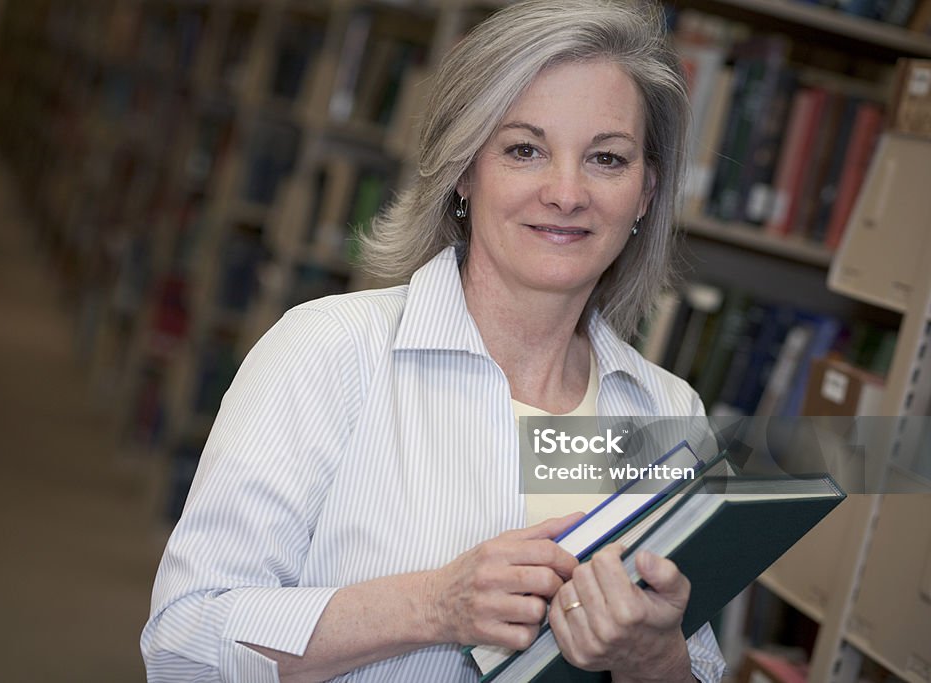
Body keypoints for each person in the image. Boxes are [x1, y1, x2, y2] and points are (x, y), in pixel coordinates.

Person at [141, 0, 726, 680]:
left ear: (646, 192)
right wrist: (432, 604)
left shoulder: (669, 414)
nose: (567, 192)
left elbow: (701, 666)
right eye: (524, 149)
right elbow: (182, 644)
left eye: (606, 158)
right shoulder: (329, 352)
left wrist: (655, 658)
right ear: (463, 171)